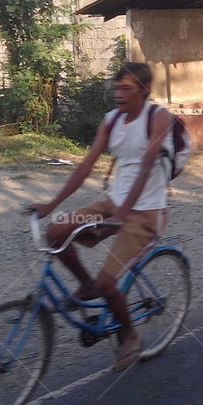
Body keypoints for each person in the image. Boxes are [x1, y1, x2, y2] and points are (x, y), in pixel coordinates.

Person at [27, 62, 173, 372]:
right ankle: (85, 284)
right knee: (57, 232)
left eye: (127, 89)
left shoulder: (158, 117)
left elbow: (147, 164)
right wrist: (52, 204)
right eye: (117, 88)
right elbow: (85, 166)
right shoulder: (110, 121)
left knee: (110, 282)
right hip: (113, 203)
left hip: (146, 212)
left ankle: (130, 336)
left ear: (145, 91)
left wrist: (122, 215)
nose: (119, 94)